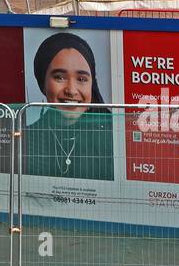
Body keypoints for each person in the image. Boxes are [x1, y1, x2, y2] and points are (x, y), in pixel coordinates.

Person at [25, 32, 115, 180]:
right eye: (60, 77)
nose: (71, 90)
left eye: (82, 79)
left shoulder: (113, 139)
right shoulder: (25, 140)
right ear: (43, 83)